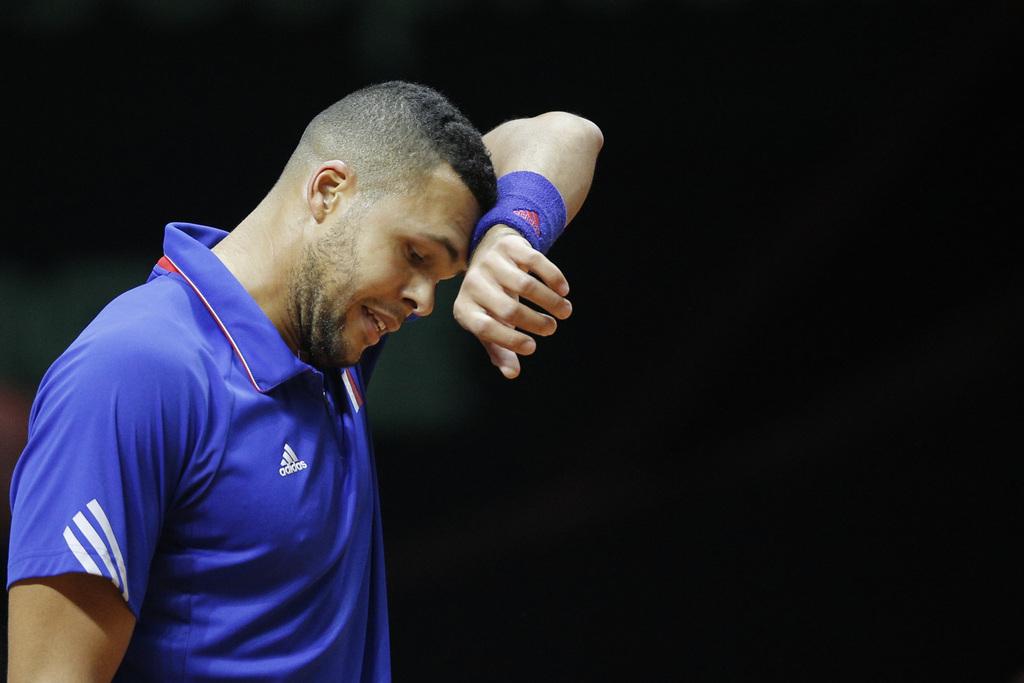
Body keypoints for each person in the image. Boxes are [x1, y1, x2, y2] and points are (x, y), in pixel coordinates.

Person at [5, 80, 603, 681]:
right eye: (417, 257)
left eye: (443, 276)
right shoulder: (135, 370)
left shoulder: (330, 344)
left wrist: (509, 234)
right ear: (329, 191)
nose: (423, 302)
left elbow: (568, 134)